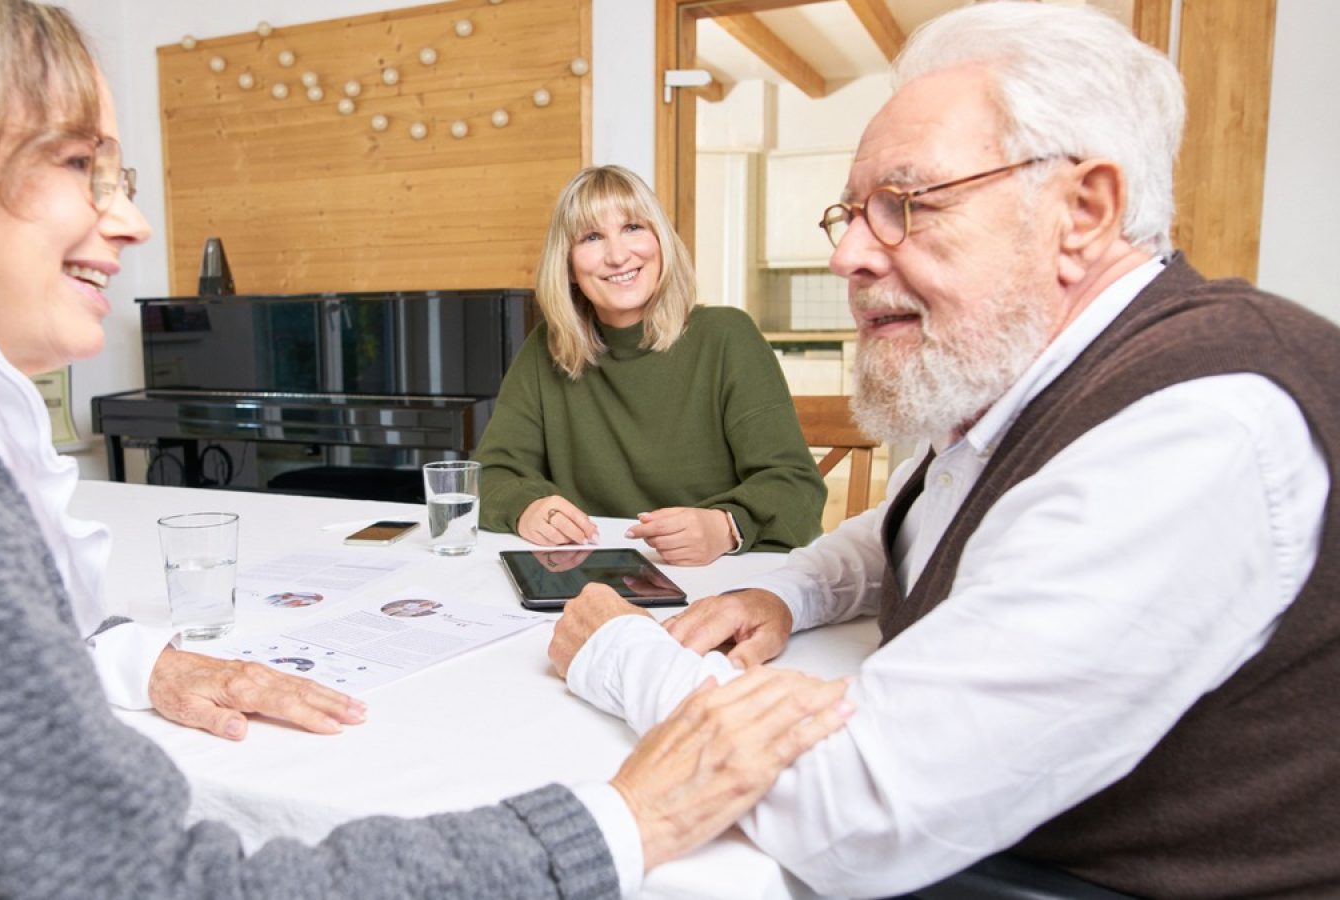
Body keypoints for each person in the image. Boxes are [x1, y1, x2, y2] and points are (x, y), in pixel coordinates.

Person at [0, 1, 856, 896]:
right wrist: (620, 818)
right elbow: (136, 879)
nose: (130, 224)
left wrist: (136, 658)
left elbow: (786, 495)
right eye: (83, 165)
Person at [548, 3, 1340, 898]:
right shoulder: (1032, 388)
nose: (847, 254)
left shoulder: (1196, 432)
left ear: (1082, 210)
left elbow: (854, 812)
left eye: (904, 204)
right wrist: (782, 591)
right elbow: (919, 519)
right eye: (850, 212)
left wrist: (619, 650)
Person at [474, 165, 826, 566]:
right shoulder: (545, 349)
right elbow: (490, 474)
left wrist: (726, 527)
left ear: (660, 240)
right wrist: (528, 508)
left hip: (714, 578)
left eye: (633, 228)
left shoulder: (728, 336)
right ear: (568, 266)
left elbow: (797, 488)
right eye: (591, 237)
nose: (618, 255)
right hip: (589, 580)